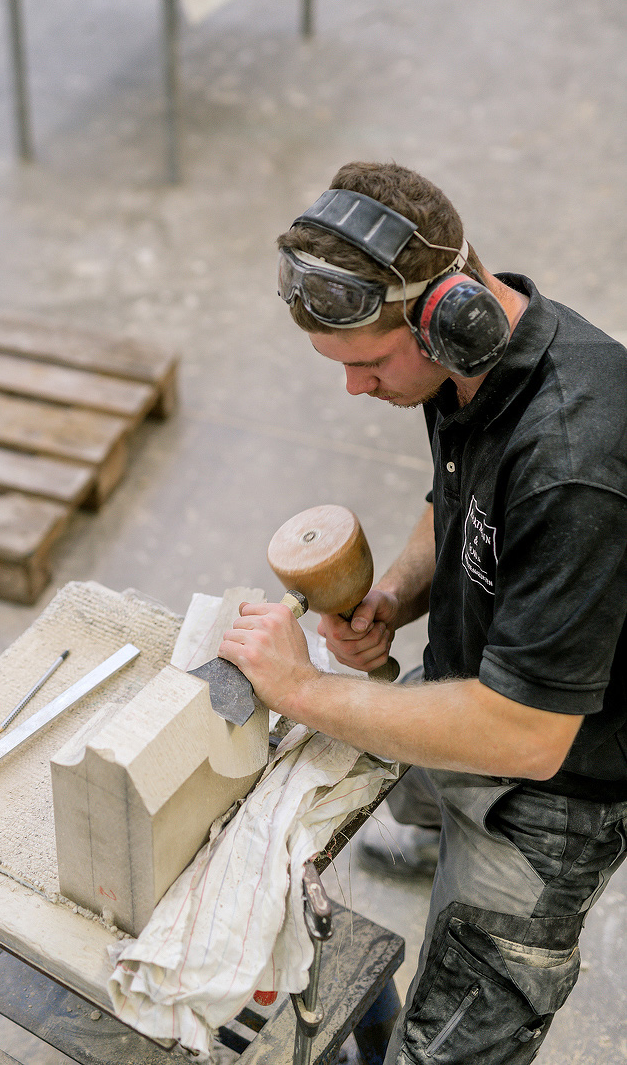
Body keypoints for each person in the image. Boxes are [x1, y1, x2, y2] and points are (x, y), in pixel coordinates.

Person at [217, 161, 627, 1064]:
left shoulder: (574, 467)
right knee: (428, 772)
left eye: (365, 364)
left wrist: (301, 690)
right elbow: (455, 501)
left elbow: (525, 737)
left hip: (551, 792)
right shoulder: (467, 369)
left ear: (450, 312)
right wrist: (397, 593)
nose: (354, 391)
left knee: (443, 1050)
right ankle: (434, 827)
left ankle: (463, 866)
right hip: (477, 684)